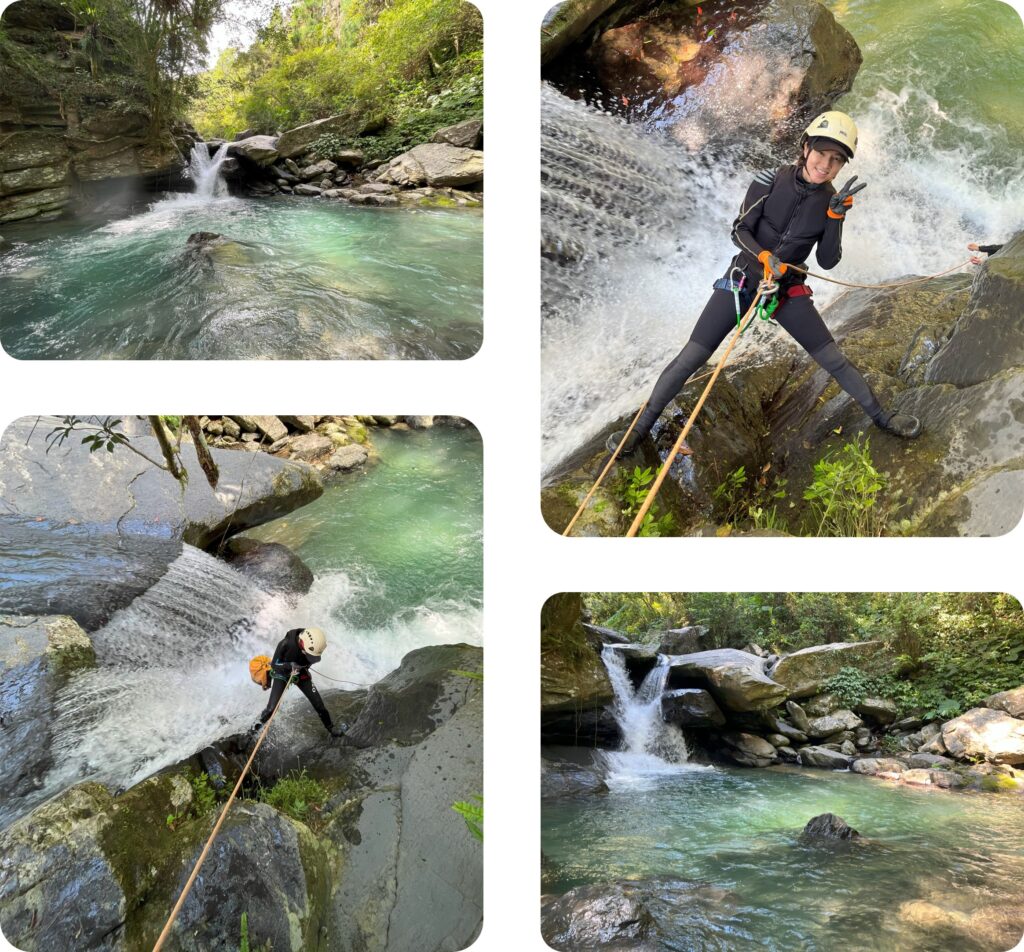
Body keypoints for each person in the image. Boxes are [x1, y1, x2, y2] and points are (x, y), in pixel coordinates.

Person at [609, 110, 922, 455]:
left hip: (785, 289)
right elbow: (738, 230)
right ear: (805, 148)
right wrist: (762, 256)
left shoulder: (829, 201)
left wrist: (835, 217)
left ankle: (882, 416)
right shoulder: (769, 180)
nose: (825, 165)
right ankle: (637, 431)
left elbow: (827, 261)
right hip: (743, 278)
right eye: (821, 153)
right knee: (692, 356)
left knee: (833, 359)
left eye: (836, 160)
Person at [251, 626, 348, 738]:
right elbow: (274, 665)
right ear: (302, 642)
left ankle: (331, 728)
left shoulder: (315, 646)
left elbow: (310, 660)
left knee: (319, 704)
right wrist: (289, 665)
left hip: (300, 672)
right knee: (271, 709)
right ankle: (250, 734)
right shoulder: (286, 643)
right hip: (282, 672)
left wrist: (303, 669)